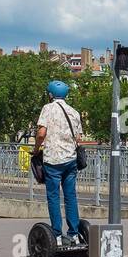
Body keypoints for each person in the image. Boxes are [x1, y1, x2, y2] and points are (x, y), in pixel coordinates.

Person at [34, 79, 83, 247]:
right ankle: (74, 234)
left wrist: (36, 148)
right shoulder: (74, 112)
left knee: (53, 197)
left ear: (50, 94)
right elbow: (78, 138)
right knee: (70, 196)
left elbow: (41, 133)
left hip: (53, 161)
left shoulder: (47, 109)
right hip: (70, 160)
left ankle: (57, 234)